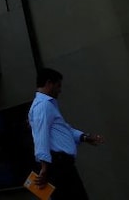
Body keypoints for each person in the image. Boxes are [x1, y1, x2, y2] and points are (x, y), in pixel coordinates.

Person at [28, 68, 104, 200]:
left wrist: (84, 137)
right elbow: (41, 137)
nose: (60, 90)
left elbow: (63, 129)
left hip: (61, 165)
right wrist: (44, 168)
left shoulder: (48, 105)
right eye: (58, 86)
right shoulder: (43, 106)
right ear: (49, 83)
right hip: (58, 165)